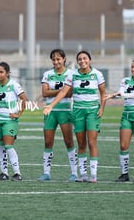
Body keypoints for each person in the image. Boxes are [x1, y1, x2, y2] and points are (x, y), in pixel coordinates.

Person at [43, 50, 106, 183]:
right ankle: (82, 174)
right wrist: (51, 105)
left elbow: (103, 93)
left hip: (92, 111)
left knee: (92, 142)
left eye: (85, 58)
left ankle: (93, 174)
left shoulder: (97, 74)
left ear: (89, 60)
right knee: (81, 143)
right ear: (77, 61)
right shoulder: (73, 75)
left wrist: (102, 108)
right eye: (80, 59)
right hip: (77, 111)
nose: (82, 61)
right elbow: (64, 92)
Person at [105, 58, 134, 183]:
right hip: (127, 115)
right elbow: (121, 91)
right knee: (123, 145)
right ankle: (124, 174)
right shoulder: (125, 80)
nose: (133, 69)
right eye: (132, 67)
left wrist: (117, 95)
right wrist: (116, 94)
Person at [0, 61, 27, 181]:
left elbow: (24, 99)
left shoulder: (14, 85)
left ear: (7, 73)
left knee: (8, 145)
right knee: (0, 146)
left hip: (9, 120)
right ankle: (4, 173)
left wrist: (18, 113)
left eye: (1, 72)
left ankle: (17, 172)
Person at [38, 49, 78, 182]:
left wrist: (54, 91)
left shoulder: (71, 74)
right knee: (48, 142)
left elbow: (70, 93)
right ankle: (46, 173)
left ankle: (74, 172)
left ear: (64, 59)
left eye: (58, 59)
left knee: (69, 141)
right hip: (50, 111)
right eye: (54, 59)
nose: (56, 61)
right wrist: (61, 91)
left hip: (65, 111)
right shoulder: (48, 74)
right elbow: (44, 93)